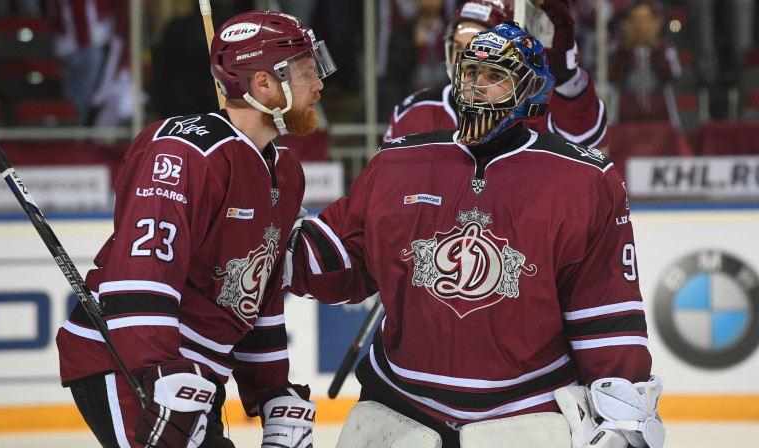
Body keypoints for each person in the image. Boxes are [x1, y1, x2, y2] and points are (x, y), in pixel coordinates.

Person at [284, 23, 665, 448]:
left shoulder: (583, 179)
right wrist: (265, 229)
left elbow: (605, 312)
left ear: (531, 91)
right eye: (469, 74)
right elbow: (336, 260)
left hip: (527, 416)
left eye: (496, 77)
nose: (476, 88)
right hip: (399, 409)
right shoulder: (399, 161)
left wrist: (623, 415)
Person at [55, 10, 336, 448]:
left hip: (192, 376)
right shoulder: (185, 153)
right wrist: (157, 369)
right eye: (305, 71)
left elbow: (254, 290)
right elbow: (143, 270)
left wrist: (271, 391)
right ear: (263, 84)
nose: (318, 83)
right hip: (129, 363)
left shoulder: (287, 171)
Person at [384, 0, 609, 151]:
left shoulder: (532, 111)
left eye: (475, 49)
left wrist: (567, 78)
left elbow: (585, 142)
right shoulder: (412, 113)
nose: (463, 61)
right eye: (457, 47)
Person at [608, 0, 683, 128]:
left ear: (657, 23)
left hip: (660, 119)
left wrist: (656, 49)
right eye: (636, 20)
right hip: (626, 121)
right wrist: (626, 49)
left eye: (646, 20)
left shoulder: (666, 49)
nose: (641, 26)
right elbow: (613, 77)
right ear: (626, 24)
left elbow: (671, 74)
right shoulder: (618, 51)